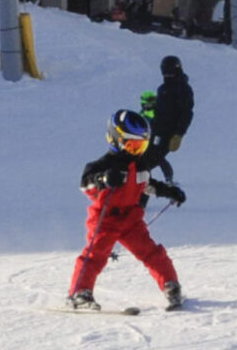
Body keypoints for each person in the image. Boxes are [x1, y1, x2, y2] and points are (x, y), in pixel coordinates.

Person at [67, 110, 187, 310]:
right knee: (95, 255)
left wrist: (169, 191)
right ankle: (80, 292)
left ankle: (170, 285)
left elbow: (146, 184)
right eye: (133, 145)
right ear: (116, 141)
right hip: (105, 219)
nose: (137, 151)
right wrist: (103, 179)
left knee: (151, 252)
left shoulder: (139, 165)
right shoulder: (101, 166)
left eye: (142, 146)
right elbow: (86, 185)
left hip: (131, 220)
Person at [145, 54, 195, 180]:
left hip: (171, 132)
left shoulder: (183, 89)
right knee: (146, 154)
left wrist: (179, 133)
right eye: (165, 72)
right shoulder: (162, 89)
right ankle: (142, 181)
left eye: (170, 72)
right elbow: (159, 110)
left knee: (156, 156)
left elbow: (186, 113)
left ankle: (166, 180)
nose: (167, 75)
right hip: (156, 129)